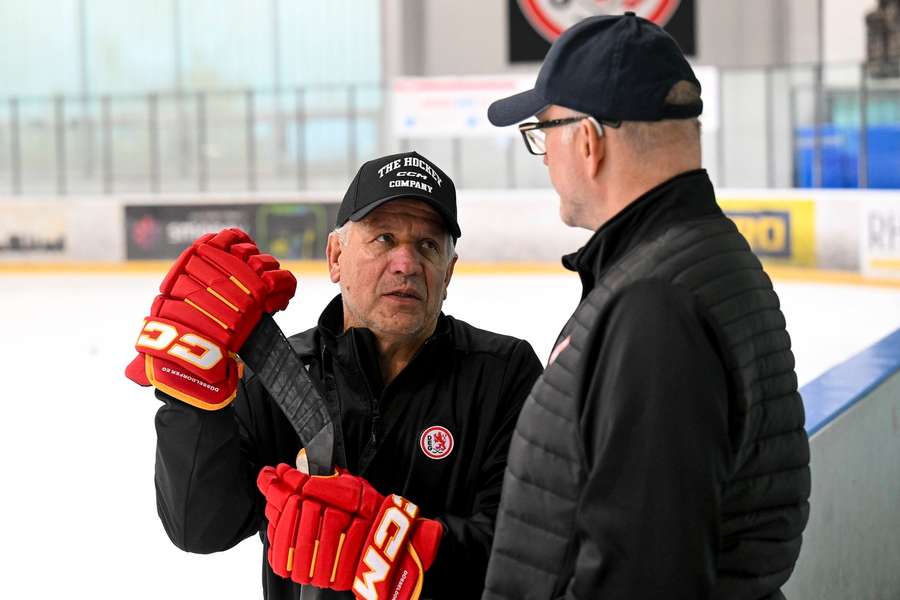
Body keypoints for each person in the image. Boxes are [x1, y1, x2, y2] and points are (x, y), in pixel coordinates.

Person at [481, 13, 810, 600]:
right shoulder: (697, 260)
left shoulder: (655, 309)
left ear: (588, 142)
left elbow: (643, 574)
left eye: (543, 133)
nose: (546, 157)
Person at [125, 151, 543, 599]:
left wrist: (401, 556)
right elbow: (202, 528)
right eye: (383, 238)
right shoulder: (277, 374)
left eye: (427, 245)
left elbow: (527, 554)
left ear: (448, 272)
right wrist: (195, 403)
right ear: (336, 257)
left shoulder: (504, 374)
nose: (406, 263)